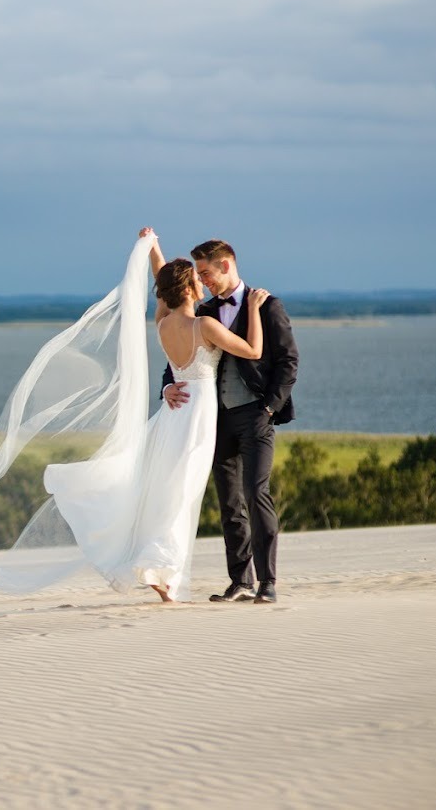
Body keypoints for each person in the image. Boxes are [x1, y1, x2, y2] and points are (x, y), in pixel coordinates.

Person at [0, 229, 273, 604]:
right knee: (181, 492)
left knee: (166, 488)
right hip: (197, 417)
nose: (202, 283)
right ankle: (159, 565)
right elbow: (253, 351)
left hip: (175, 411)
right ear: (188, 289)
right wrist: (254, 309)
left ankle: (160, 569)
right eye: (196, 279)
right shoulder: (205, 325)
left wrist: (153, 248)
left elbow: (163, 282)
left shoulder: (162, 322)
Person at [161, 240, 298, 604]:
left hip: (256, 415)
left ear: (225, 265)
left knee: (255, 492)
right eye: (198, 275)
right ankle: (240, 581)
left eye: (205, 272)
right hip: (215, 420)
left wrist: (269, 408)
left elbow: (288, 360)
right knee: (229, 502)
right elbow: (176, 360)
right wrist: (166, 388)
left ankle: (268, 582)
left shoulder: (267, 305)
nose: (202, 281)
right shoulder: (204, 312)